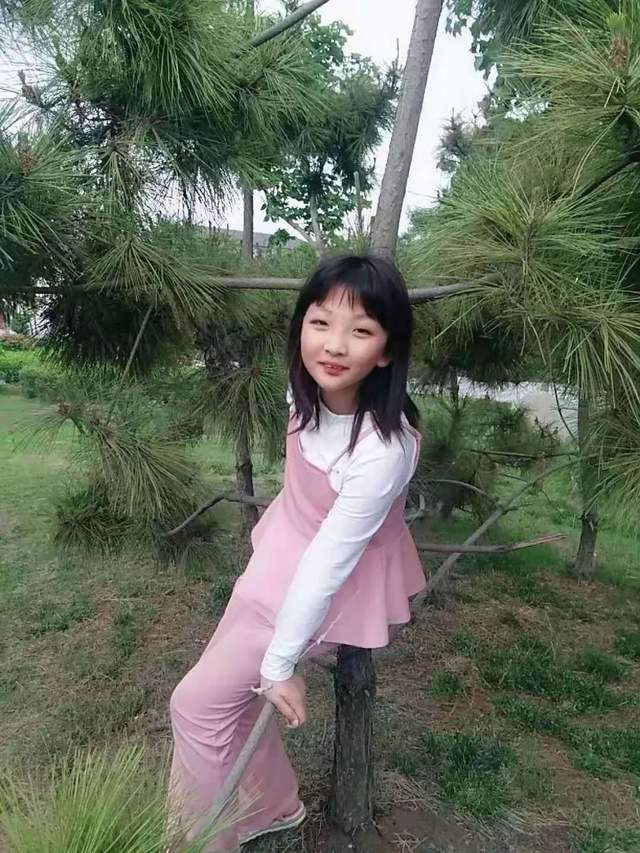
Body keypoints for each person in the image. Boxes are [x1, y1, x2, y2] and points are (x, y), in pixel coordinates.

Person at [168, 254, 426, 851]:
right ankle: (273, 807)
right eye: (320, 322)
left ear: (387, 350)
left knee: (195, 707)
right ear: (300, 326)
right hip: (277, 558)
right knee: (227, 705)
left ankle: (202, 842)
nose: (333, 345)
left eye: (360, 330)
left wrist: (282, 664)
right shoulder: (304, 389)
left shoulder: (383, 451)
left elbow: (328, 563)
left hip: (321, 590)